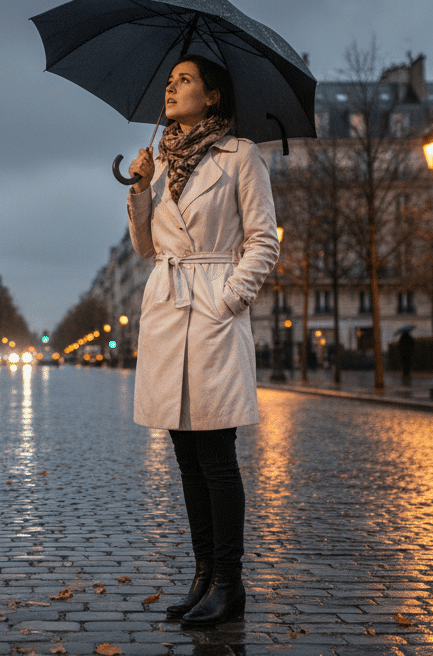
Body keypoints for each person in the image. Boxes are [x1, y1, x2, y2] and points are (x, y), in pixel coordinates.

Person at [126, 54, 279, 627]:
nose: (171, 88)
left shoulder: (241, 156)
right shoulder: (159, 161)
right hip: (168, 307)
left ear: (212, 96)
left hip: (212, 304)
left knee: (216, 455)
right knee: (185, 456)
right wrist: (139, 190)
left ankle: (229, 581)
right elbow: (145, 247)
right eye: (169, 80)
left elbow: (264, 239)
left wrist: (228, 298)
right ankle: (201, 576)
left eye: (183, 80)